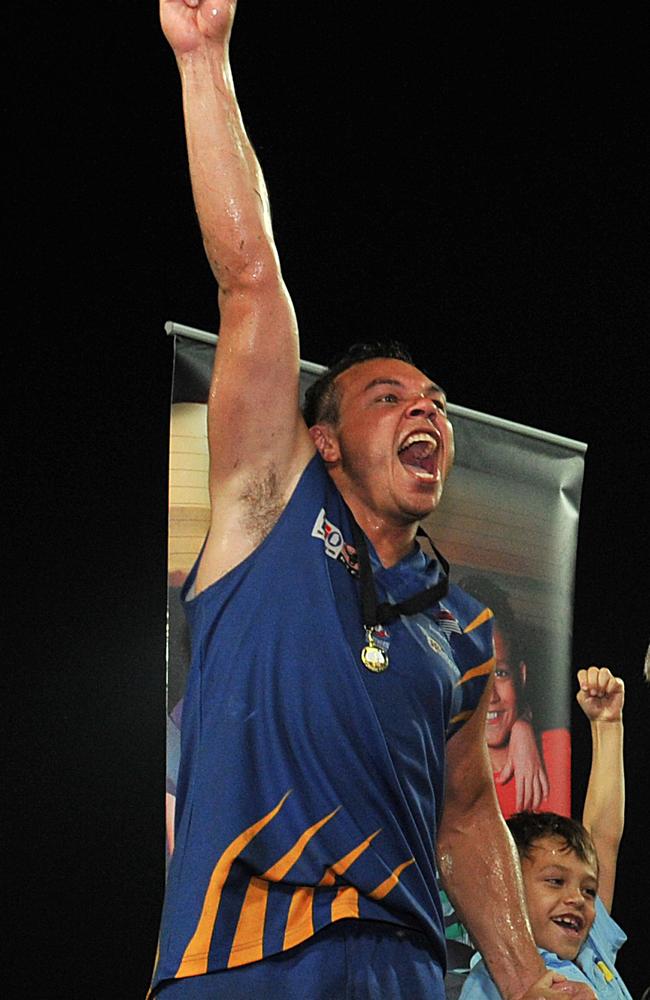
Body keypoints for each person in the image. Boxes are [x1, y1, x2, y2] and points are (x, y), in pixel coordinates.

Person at [152, 2, 596, 997]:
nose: (423, 409)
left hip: (400, 972)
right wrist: (203, 58)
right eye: (387, 397)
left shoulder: (463, 623)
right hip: (240, 952)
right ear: (322, 440)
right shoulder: (266, 508)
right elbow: (249, 279)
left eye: (433, 401)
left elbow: (467, 816)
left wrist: (522, 979)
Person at [459, 667, 631, 998]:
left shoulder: (593, 951)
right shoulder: (495, 980)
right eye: (555, 881)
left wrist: (608, 725)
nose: (577, 899)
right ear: (507, 892)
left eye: (589, 891)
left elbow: (603, 839)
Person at [458, 575, 570, 818]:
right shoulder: (439, 776)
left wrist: (524, 723)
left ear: (521, 675)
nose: (490, 695)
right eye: (475, 674)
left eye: (500, 673)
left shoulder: (559, 749)